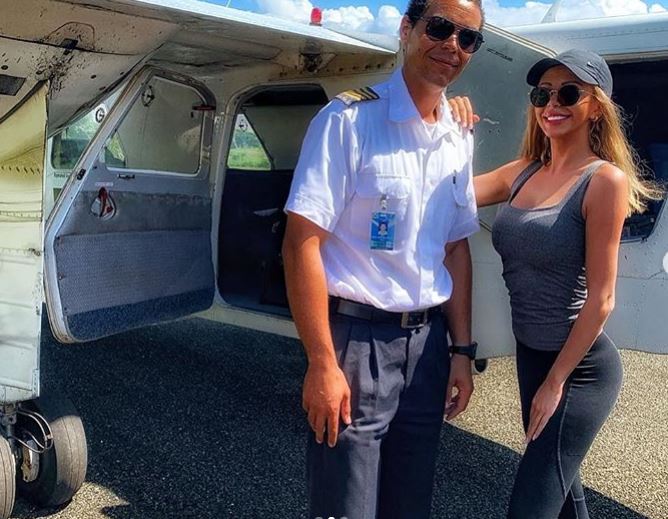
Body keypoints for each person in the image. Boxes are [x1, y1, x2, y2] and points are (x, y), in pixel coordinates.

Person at [281, 0, 485, 517]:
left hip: (429, 345)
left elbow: (456, 248)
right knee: (345, 505)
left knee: (410, 505)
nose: (453, 46)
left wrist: (461, 350)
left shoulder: (458, 137)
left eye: (468, 38)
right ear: (406, 28)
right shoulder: (348, 120)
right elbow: (301, 242)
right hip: (357, 342)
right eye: (440, 28)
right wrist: (322, 362)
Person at [450, 49, 662, 518]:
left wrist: (556, 381)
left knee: (532, 502)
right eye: (542, 94)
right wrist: (449, 132)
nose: (551, 104)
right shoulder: (523, 171)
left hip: (580, 369)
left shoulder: (603, 181)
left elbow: (602, 299)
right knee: (563, 496)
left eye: (568, 93)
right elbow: (448, 195)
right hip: (533, 356)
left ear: (596, 106)